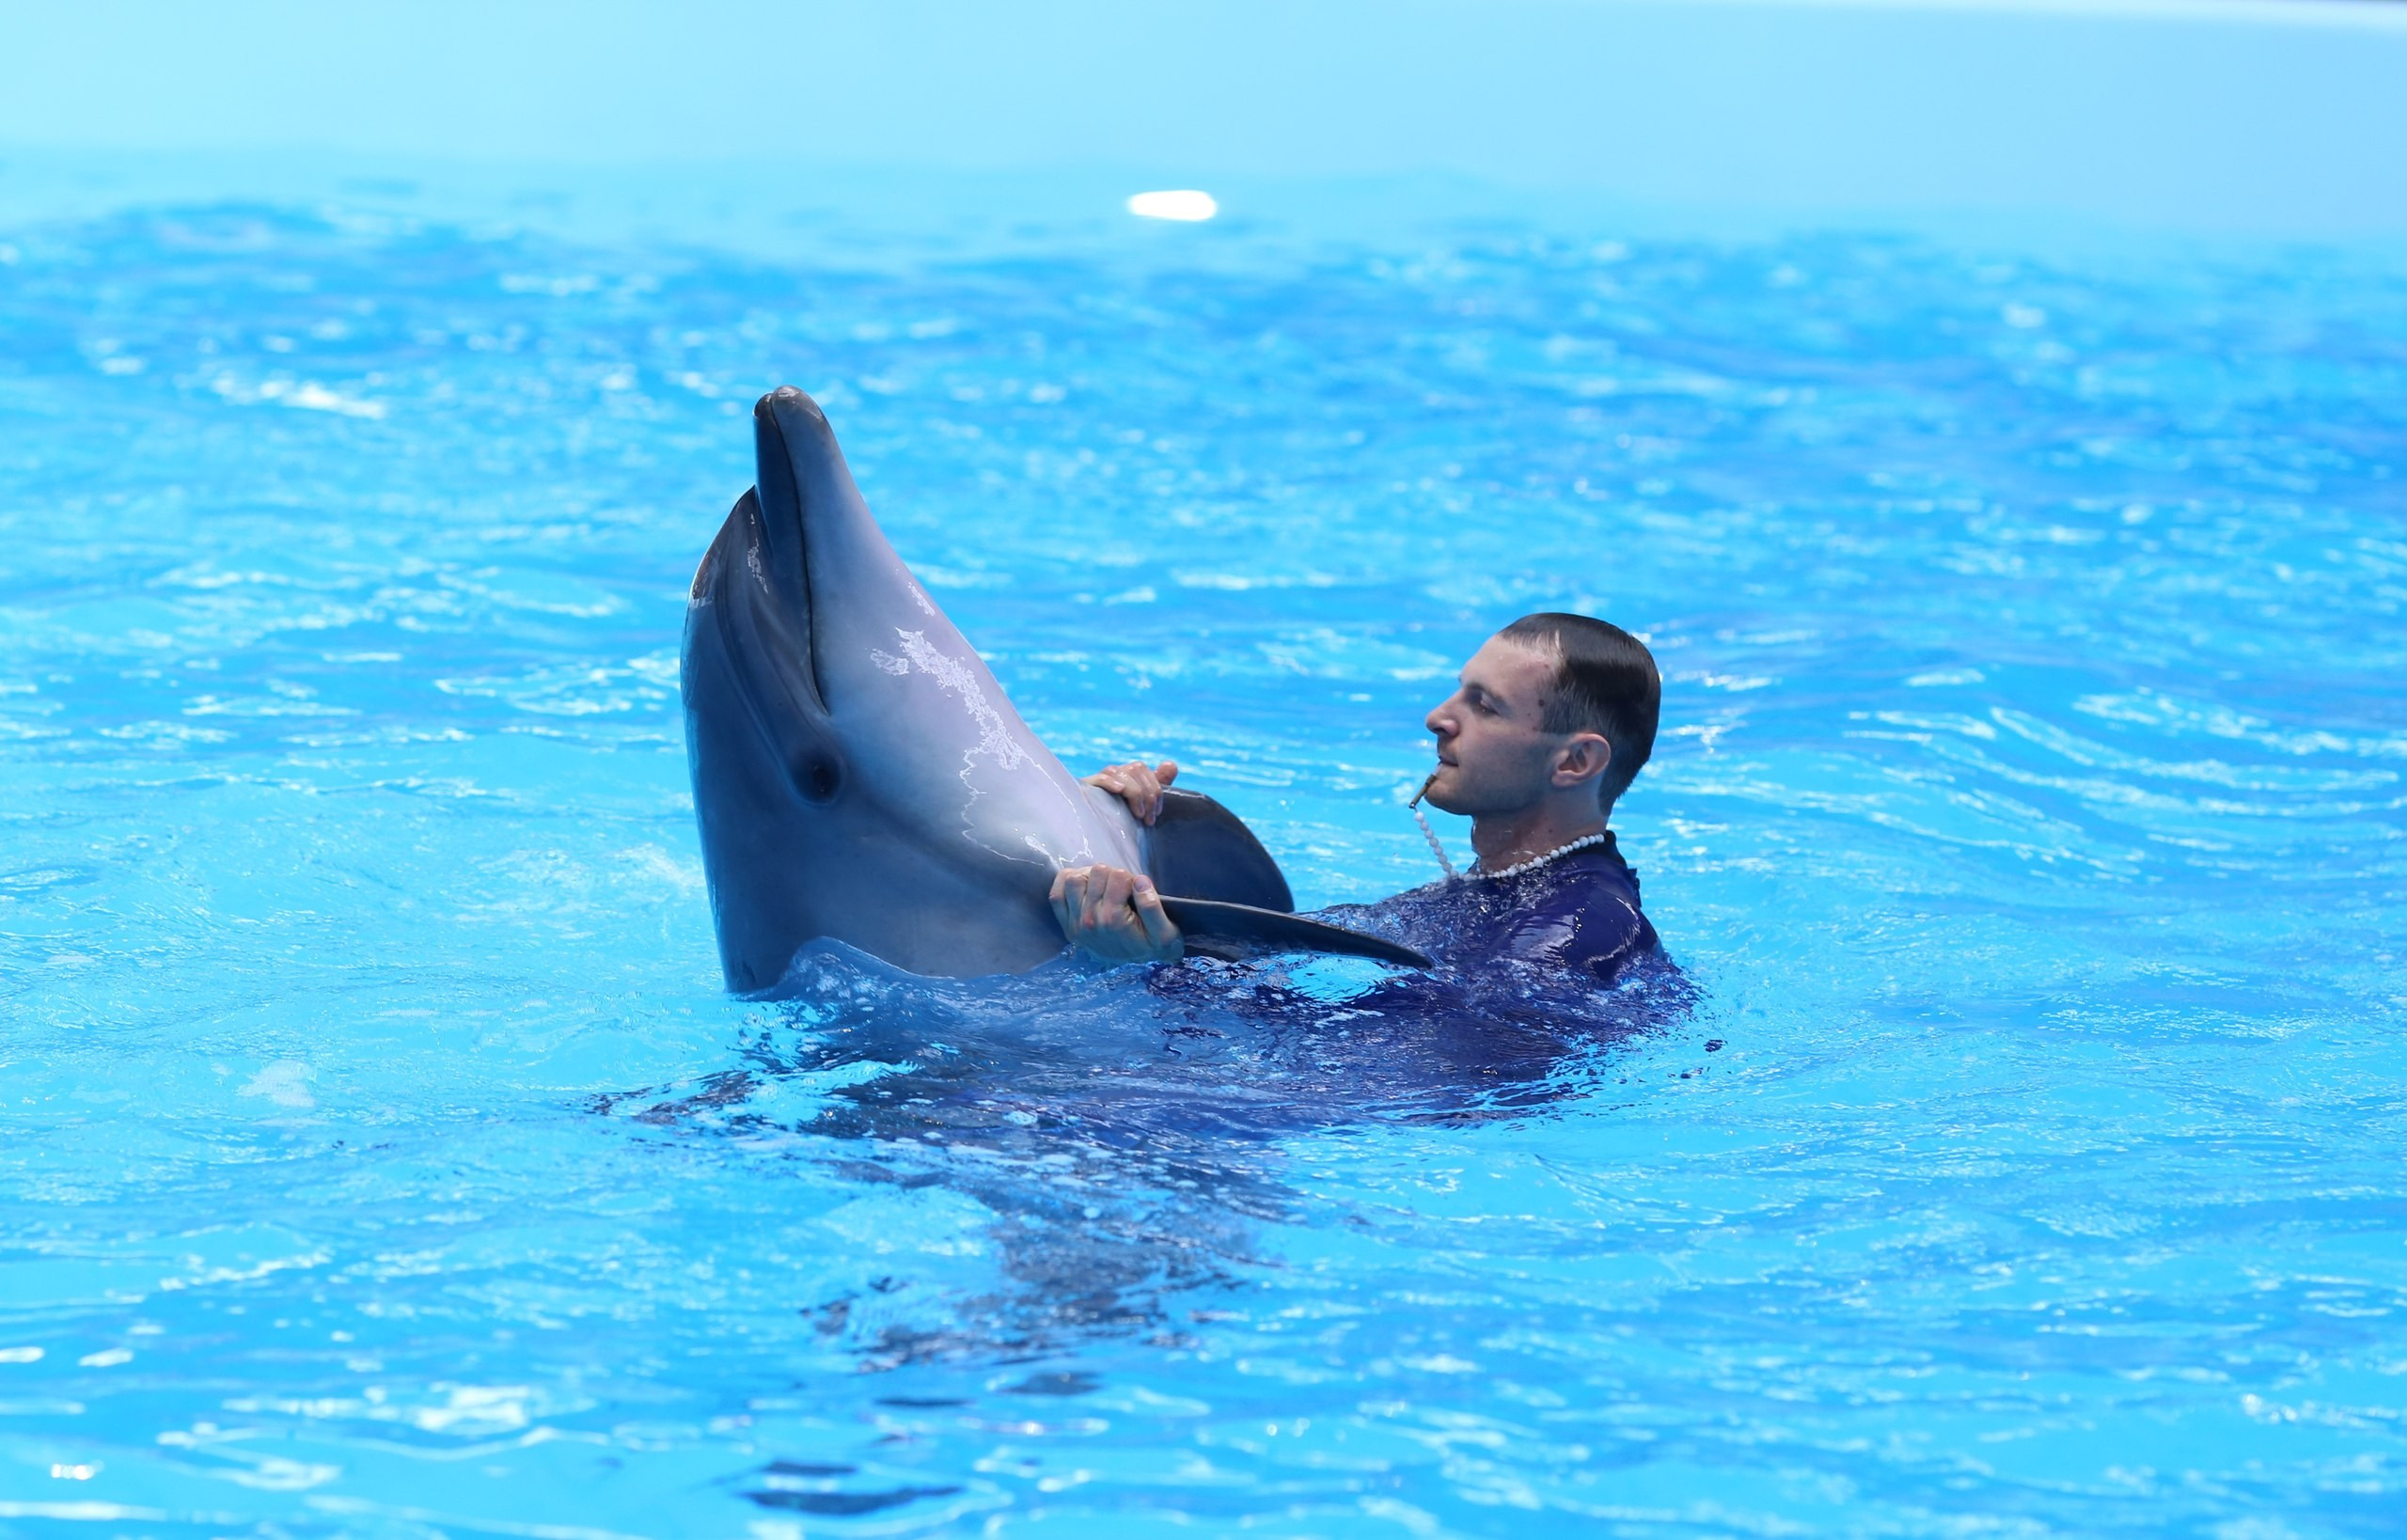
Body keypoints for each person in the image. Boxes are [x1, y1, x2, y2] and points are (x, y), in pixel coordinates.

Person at [1047, 612, 1663, 985]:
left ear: (1575, 762)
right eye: (1458, 692)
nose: (1436, 719)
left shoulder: (1578, 933)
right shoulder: (1491, 896)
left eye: (1485, 706)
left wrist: (1147, 970)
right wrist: (1133, 830)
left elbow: (1376, 1085)